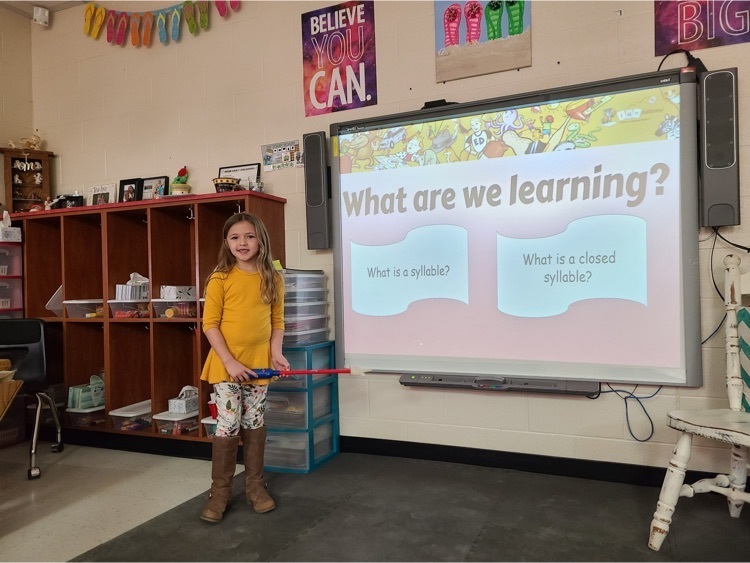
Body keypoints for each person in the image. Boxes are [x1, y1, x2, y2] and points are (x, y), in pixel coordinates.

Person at [199, 212, 290, 523]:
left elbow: (277, 322)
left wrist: (276, 353)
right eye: (235, 237)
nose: (243, 242)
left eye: (249, 236)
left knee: (254, 421)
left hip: (259, 365)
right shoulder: (220, 278)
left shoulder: (273, 278)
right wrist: (229, 361)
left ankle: (255, 486)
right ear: (226, 242)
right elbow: (210, 324)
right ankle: (220, 491)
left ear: (260, 240)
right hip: (226, 365)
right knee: (228, 423)